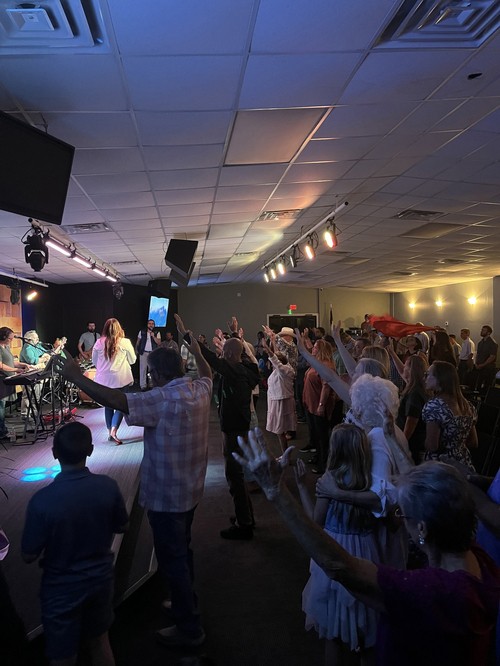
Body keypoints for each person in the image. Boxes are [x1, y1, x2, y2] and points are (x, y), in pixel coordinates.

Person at [234, 429, 500, 666]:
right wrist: (390, 437)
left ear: (422, 529)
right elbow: (425, 491)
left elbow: (340, 566)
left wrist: (276, 491)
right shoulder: (482, 561)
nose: (400, 519)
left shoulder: (428, 592)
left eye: (404, 514)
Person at [55, 318, 212, 648]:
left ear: (157, 375)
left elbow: (116, 401)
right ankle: (184, 602)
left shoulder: (160, 400)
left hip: (167, 498)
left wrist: (75, 376)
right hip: (192, 490)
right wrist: (194, 346)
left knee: (173, 560)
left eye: (151, 374)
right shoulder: (200, 389)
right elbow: (207, 371)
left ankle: (190, 628)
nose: (150, 378)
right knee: (182, 550)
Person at [21, 422, 129, 666]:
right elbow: (123, 526)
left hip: (61, 589)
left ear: (54, 453)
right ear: (90, 450)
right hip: (101, 579)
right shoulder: (108, 486)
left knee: (63, 654)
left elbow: (28, 554)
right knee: (100, 641)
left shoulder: (42, 501)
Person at [296, 424, 380, 665]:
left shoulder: (330, 480)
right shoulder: (369, 480)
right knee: (366, 624)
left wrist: (301, 486)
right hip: (365, 552)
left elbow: (316, 523)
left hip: (335, 549)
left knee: (332, 631)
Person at [199, 321, 259, 540]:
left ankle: (244, 524)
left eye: (224, 352)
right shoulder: (247, 369)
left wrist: (188, 337)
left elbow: (211, 359)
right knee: (238, 475)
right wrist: (234, 334)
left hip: (233, 429)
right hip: (238, 427)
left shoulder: (233, 371)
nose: (221, 355)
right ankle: (246, 516)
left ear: (231, 354)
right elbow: (234, 355)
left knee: (234, 476)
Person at [422, 360, 477, 470]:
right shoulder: (468, 407)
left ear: (439, 379)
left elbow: (432, 446)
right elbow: (473, 442)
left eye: (427, 374)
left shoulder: (435, 406)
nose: (424, 378)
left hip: (441, 467)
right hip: (463, 465)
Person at [92, 318, 136, 445]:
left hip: (103, 381)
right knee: (121, 405)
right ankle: (114, 430)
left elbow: (94, 361)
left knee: (108, 405)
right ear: (119, 328)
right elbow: (133, 360)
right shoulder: (125, 342)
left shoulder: (98, 342)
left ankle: (109, 432)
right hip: (121, 379)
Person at [262, 332, 296, 453]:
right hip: (278, 400)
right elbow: (277, 356)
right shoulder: (283, 368)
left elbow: (276, 360)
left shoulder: (284, 370)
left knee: (280, 430)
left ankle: (285, 455)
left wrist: (268, 349)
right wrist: (273, 341)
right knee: (280, 431)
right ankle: (285, 454)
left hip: (281, 402)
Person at [0, 327, 30, 440]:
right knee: (1, 406)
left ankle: (3, 429)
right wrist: (16, 370)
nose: (11, 340)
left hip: (6, 379)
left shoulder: (6, 347)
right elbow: (1, 366)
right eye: (10, 338)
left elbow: (12, 362)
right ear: (3, 337)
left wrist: (23, 365)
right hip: (1, 380)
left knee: (2, 405)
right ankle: (1, 432)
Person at [135, 319, 161, 390]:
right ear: (147, 324)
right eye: (149, 323)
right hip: (143, 352)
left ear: (154, 325)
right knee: (143, 369)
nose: (151, 325)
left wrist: (153, 336)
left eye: (152, 324)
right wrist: (136, 351)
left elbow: (159, 343)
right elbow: (138, 342)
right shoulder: (142, 332)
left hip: (153, 353)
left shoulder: (157, 332)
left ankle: (152, 384)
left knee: (152, 369)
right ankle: (143, 385)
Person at [473, 325, 498, 393]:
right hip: (479, 368)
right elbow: (478, 354)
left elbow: (492, 356)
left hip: (488, 368)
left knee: (486, 388)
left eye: (484, 330)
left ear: (488, 333)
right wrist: (476, 363)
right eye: (482, 330)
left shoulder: (492, 343)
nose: (482, 331)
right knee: (478, 386)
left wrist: (483, 364)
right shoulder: (480, 343)